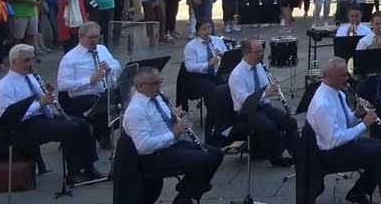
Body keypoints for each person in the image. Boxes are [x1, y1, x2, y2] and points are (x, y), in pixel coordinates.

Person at [0, 44, 104, 184]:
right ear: (14, 62)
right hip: (22, 126)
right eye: (26, 60)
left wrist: (46, 92)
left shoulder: (30, 77)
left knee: (83, 123)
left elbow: (40, 99)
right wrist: (40, 103)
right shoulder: (3, 87)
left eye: (33, 59)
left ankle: (89, 167)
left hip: (41, 118)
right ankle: (73, 173)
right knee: (71, 128)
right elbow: (7, 116)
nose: (31, 64)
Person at [303, 57, 381, 204]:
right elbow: (334, 140)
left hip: (342, 145)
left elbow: (344, 124)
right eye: (342, 75)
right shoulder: (323, 103)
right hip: (330, 154)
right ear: (329, 76)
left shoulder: (337, 93)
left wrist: (357, 113)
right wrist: (364, 124)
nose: (347, 78)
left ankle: (359, 192)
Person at [122, 66, 224, 204]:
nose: (159, 86)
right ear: (140, 86)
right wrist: (174, 133)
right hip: (154, 156)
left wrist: (174, 118)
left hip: (173, 145)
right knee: (204, 159)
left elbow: (163, 119)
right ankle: (186, 195)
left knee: (217, 154)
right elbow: (143, 146)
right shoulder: (136, 110)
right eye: (155, 83)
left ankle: (186, 192)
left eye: (160, 81)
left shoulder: (157, 98)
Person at [227, 38, 300, 166]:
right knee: (269, 127)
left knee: (290, 122)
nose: (261, 55)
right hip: (246, 112)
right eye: (258, 52)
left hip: (263, 107)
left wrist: (272, 86)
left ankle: (297, 154)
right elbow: (243, 100)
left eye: (262, 51)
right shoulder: (237, 74)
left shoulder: (260, 67)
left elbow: (265, 86)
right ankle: (276, 159)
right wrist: (265, 93)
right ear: (247, 53)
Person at [56, 21, 121, 148]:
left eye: (97, 37)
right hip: (82, 97)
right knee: (103, 106)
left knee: (123, 103)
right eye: (90, 38)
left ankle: (102, 131)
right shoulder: (70, 58)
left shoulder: (102, 49)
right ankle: (101, 133)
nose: (94, 41)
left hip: (104, 92)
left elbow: (117, 65)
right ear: (81, 37)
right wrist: (89, 80)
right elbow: (62, 85)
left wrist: (110, 68)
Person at [183, 19, 231, 102]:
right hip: (201, 75)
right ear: (198, 31)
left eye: (209, 28)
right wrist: (207, 64)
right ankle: (213, 111)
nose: (207, 31)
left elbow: (227, 56)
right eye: (204, 29)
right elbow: (189, 67)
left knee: (231, 84)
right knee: (212, 90)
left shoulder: (217, 40)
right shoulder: (191, 46)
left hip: (218, 72)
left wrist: (222, 55)